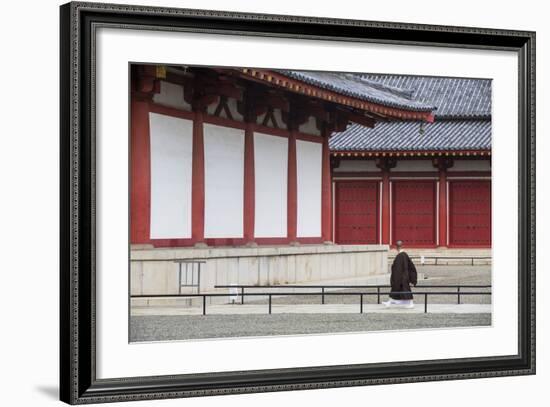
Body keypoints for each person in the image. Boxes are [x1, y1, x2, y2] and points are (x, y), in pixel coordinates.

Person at [383, 240, 418, 308]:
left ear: (396, 247)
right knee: (396, 290)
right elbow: (410, 266)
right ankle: (390, 302)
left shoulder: (401, 255)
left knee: (404, 289)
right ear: (402, 246)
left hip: (401, 277)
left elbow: (399, 267)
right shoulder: (404, 255)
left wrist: (398, 277)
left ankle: (411, 303)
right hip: (403, 276)